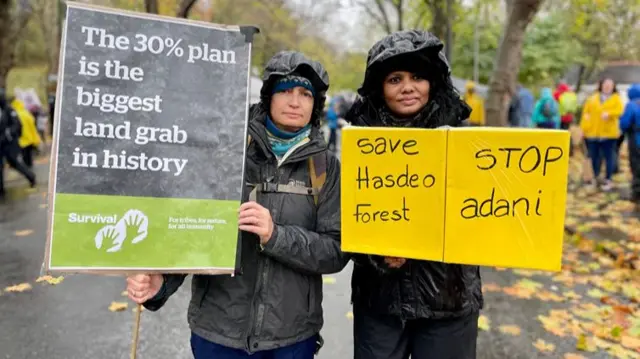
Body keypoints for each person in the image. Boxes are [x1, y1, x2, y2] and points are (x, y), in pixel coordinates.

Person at [125, 51, 347, 359]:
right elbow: (193, 228)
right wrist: (160, 282)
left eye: (305, 94)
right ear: (268, 97)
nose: (295, 102)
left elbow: (336, 252)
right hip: (217, 333)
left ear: (316, 103)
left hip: (291, 339)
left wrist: (276, 236)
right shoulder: (225, 152)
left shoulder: (326, 168)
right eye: (285, 91)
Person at [345, 30, 480, 359]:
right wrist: (374, 255)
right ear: (380, 87)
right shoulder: (359, 147)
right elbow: (343, 223)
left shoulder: (469, 146)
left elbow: (486, 216)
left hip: (449, 303)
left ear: (433, 82)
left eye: (418, 76)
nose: (407, 87)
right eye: (395, 78)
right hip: (379, 305)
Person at [580, 78, 624, 191]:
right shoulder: (592, 98)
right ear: (601, 85)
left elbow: (620, 111)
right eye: (605, 85)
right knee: (594, 157)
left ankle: (608, 179)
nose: (607, 87)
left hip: (609, 134)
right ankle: (595, 177)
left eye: (610, 85)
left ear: (613, 87)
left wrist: (610, 114)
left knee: (609, 157)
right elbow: (585, 114)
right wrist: (583, 129)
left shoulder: (616, 99)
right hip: (593, 133)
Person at [0, 90, 36, 198]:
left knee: (14, 162)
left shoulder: (9, 110)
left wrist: (8, 133)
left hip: (10, 144)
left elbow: (17, 125)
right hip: (1, 143)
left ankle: (31, 177)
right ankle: (1, 190)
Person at [619, 83, 640, 202]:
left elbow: (624, 123)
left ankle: (636, 193)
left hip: (636, 139)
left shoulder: (631, 105)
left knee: (636, 165)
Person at [11, 98, 41, 168]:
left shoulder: (16, 114)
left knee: (24, 154)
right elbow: (33, 121)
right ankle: (30, 166)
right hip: (29, 137)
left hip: (22, 138)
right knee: (29, 154)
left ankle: (27, 168)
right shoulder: (25, 112)